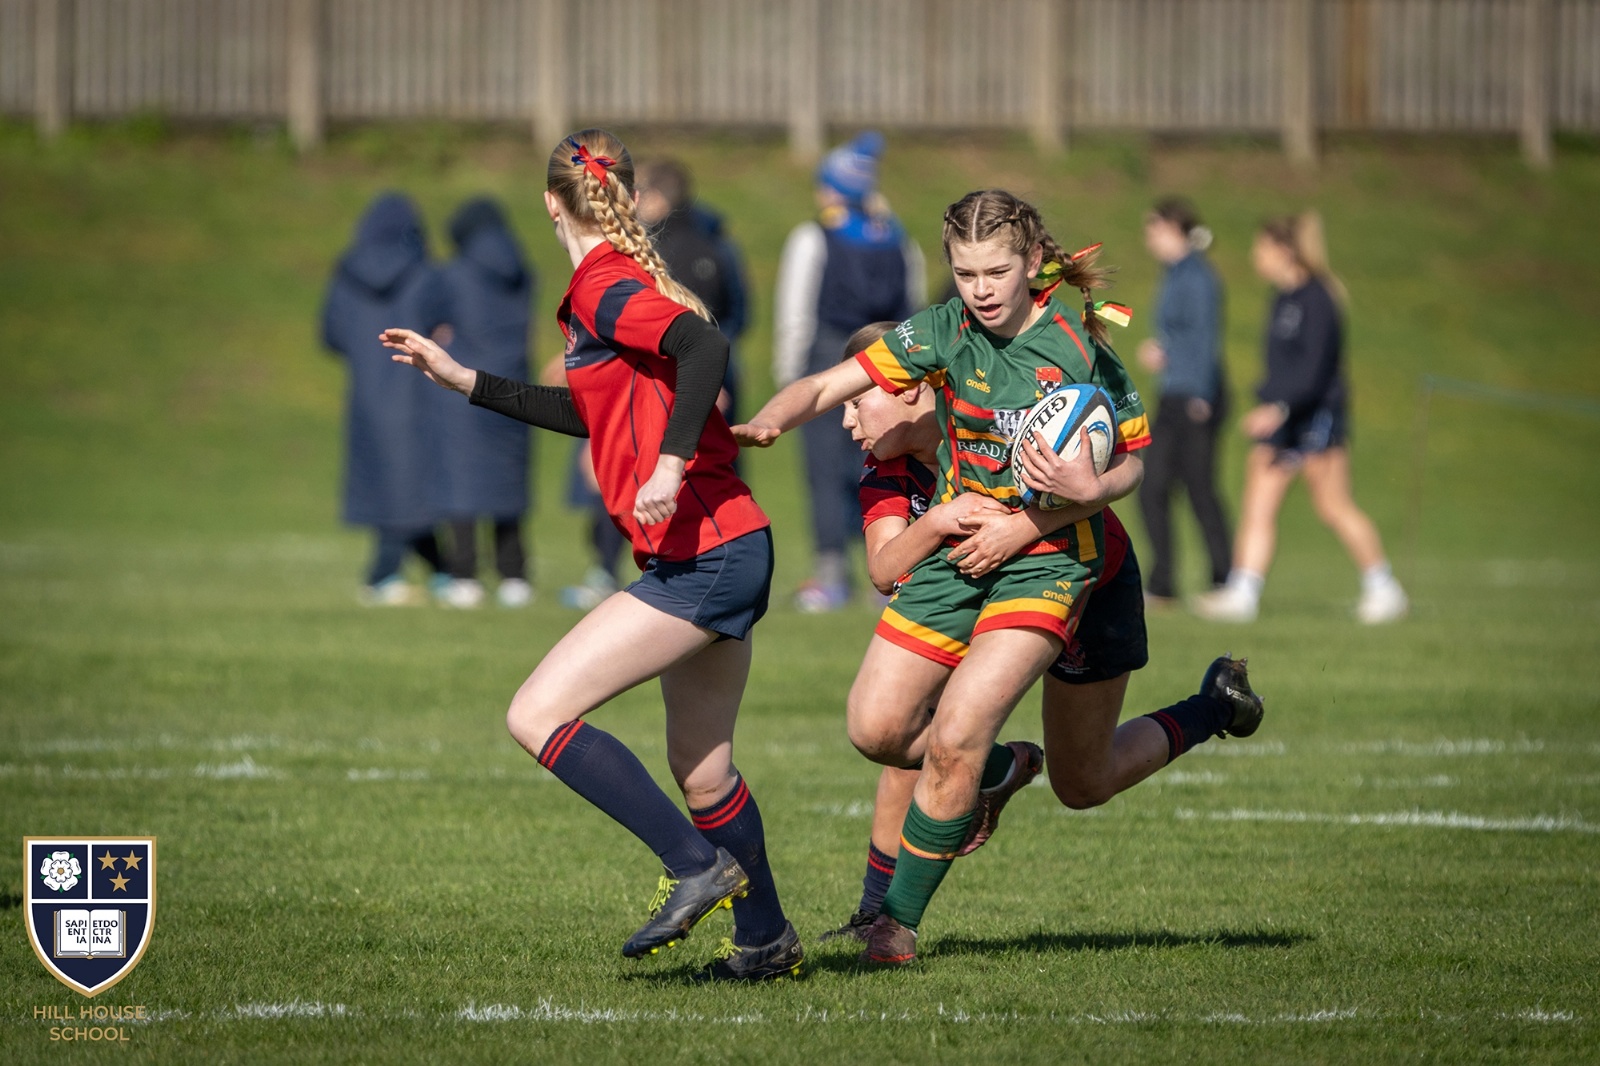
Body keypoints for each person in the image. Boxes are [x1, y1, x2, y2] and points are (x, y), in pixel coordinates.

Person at [382, 129, 802, 982]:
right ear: (628, 197)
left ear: (550, 202)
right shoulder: (608, 286)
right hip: (724, 544)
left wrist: (671, 466)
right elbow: (593, 414)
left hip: (707, 552)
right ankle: (766, 941)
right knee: (704, 772)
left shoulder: (606, 286)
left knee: (536, 713)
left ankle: (695, 867)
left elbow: (705, 348)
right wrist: (466, 381)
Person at [737, 189, 1159, 965]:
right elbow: (829, 385)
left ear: (1032, 263)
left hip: (1049, 559)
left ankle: (894, 926)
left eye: (996, 271)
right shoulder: (941, 331)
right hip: (959, 557)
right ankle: (996, 773)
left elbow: (1130, 461)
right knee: (875, 728)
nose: (982, 289)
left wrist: (1085, 490)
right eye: (966, 274)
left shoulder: (1079, 348)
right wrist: (770, 419)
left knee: (958, 732)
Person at [815, 324, 1266, 943]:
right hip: (975, 595)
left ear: (910, 387)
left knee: (1083, 783)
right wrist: (939, 521)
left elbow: (1094, 487)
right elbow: (883, 566)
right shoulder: (885, 472)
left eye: (856, 400)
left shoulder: (993, 417)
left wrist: (1020, 528)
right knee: (909, 726)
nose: (847, 422)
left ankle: (1214, 705)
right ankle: (878, 917)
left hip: (1089, 585)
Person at [1192, 212, 1408, 625]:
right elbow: (1281, 365)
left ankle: (1384, 588)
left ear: (1285, 250)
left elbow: (1316, 369)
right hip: (1281, 418)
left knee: (1332, 506)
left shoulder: (1318, 298)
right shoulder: (1282, 297)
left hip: (1315, 417)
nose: (1256, 256)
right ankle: (1243, 593)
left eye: (1262, 248)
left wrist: (1281, 407)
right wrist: (1268, 400)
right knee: (1258, 502)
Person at [561, 157, 753, 612]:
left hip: (664, 387)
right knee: (707, 479)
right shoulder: (720, 244)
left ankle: (608, 570)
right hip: (718, 385)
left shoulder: (640, 260)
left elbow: (698, 342)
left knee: (636, 473)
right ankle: (672, 568)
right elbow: (738, 317)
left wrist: (693, 375)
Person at [772, 131, 925, 612]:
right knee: (886, 464)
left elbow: (796, 308)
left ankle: (831, 576)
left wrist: (788, 374)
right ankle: (893, 572)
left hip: (826, 360)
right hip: (889, 366)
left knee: (823, 471)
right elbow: (915, 307)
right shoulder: (898, 238)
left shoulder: (813, 236)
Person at [320, 191, 449, 605]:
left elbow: (331, 334)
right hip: (417, 388)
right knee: (412, 483)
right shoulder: (425, 272)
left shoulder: (346, 274)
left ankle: (442, 569)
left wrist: (364, 350)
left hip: (367, 393)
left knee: (391, 482)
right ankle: (383, 574)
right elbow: (444, 328)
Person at [431, 197, 537, 610]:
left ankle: (465, 576)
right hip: (515, 386)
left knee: (462, 481)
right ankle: (514, 575)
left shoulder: (453, 274)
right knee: (507, 480)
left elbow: (432, 318)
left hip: (466, 385)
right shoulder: (521, 271)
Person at [1136, 197, 1233, 605]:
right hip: (1173, 393)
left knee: (1200, 490)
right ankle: (1162, 584)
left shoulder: (1198, 277)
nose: (1149, 239)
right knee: (1152, 486)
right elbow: (1182, 335)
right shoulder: (1174, 274)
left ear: (1173, 229)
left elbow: (1206, 338)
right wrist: (1164, 350)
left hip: (1195, 397)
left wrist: (1201, 395)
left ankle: (1225, 581)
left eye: (1153, 229)